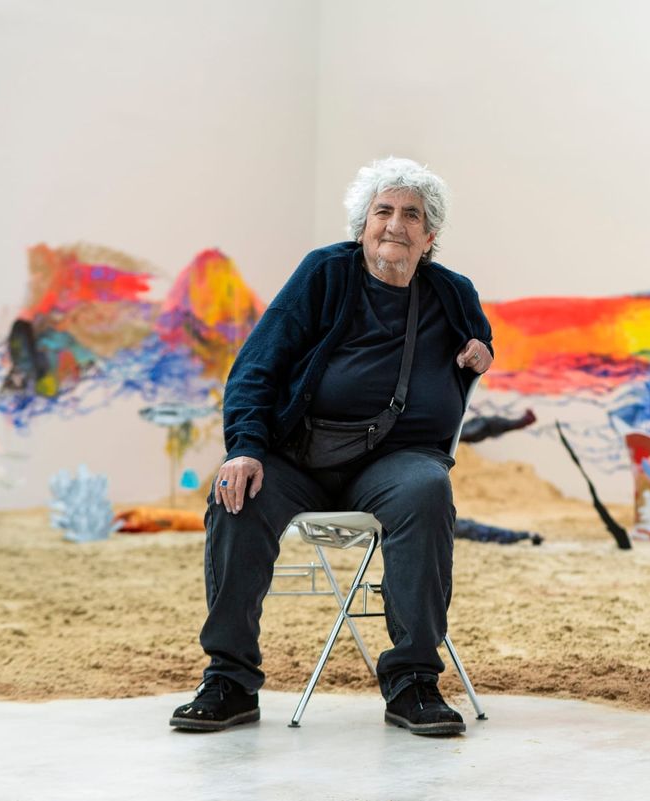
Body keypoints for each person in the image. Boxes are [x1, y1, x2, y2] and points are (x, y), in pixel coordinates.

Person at [170, 157, 493, 736]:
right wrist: (244, 448)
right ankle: (230, 680)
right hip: (300, 455)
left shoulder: (452, 292)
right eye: (383, 211)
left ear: (430, 237)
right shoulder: (325, 273)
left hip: (397, 464)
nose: (395, 224)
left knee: (428, 490)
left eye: (412, 215)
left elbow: (478, 338)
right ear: (363, 224)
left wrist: (480, 350)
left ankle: (413, 683)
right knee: (235, 493)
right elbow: (256, 367)